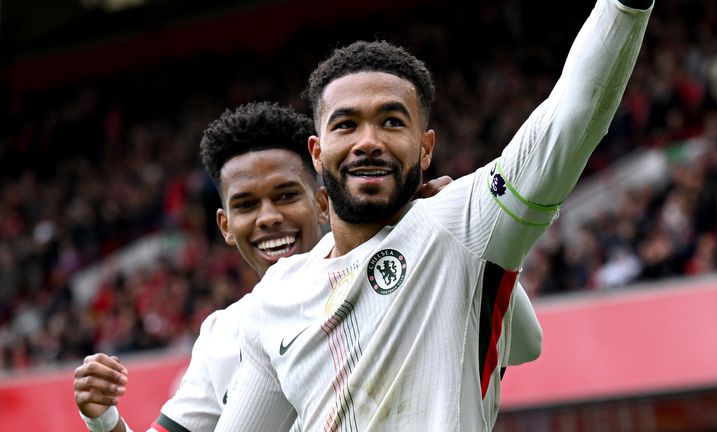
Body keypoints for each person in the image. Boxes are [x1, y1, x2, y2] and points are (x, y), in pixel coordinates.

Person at [213, 0, 653, 430]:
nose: (367, 141)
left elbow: (571, 116)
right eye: (346, 125)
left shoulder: (459, 225)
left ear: (425, 148)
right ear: (316, 152)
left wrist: (626, 7)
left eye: (391, 122)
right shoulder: (277, 295)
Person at [73, 102, 452, 432]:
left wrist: (445, 236)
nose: (268, 217)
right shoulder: (221, 335)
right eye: (246, 205)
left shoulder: (393, 272)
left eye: (285, 195)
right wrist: (103, 420)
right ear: (225, 226)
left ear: (322, 204)